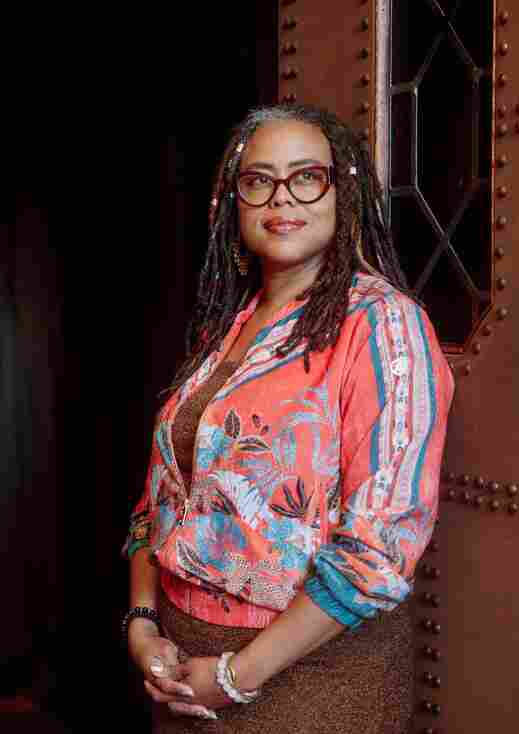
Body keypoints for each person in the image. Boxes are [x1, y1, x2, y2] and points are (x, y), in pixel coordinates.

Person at [121, 103, 455, 732]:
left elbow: (378, 553)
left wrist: (235, 677)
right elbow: (160, 499)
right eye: (259, 180)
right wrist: (142, 624)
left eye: (307, 176)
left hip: (310, 682)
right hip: (183, 671)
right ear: (234, 199)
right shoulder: (232, 323)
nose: (283, 198)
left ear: (344, 190)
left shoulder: (383, 325)